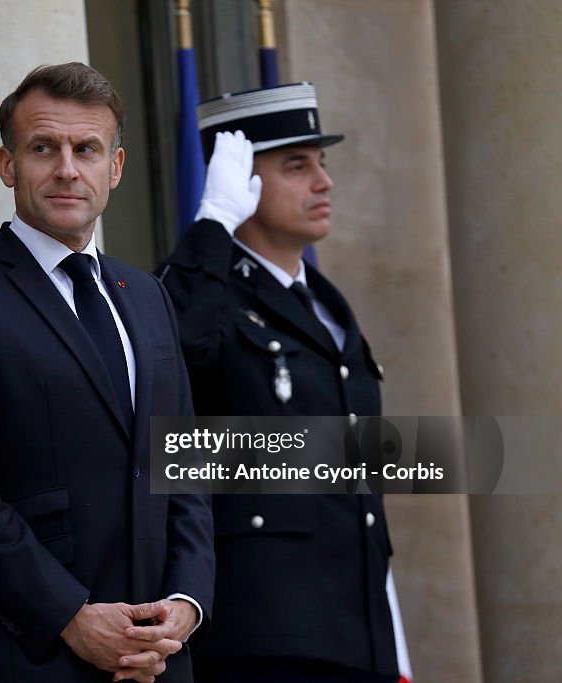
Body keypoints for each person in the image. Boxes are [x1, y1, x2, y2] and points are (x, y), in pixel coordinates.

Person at [0, 62, 214, 683]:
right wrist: (70, 615)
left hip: (157, 659)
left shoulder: (148, 295)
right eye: (44, 147)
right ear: (8, 164)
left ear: (114, 169)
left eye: (86, 149)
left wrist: (187, 602)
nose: (67, 169)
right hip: (28, 655)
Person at [158, 83, 397, 682]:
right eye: (297, 165)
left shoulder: (325, 304)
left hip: (355, 631)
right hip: (262, 637)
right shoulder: (205, 296)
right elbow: (174, 363)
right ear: (241, 181)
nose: (324, 182)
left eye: (322, 163)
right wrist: (211, 226)